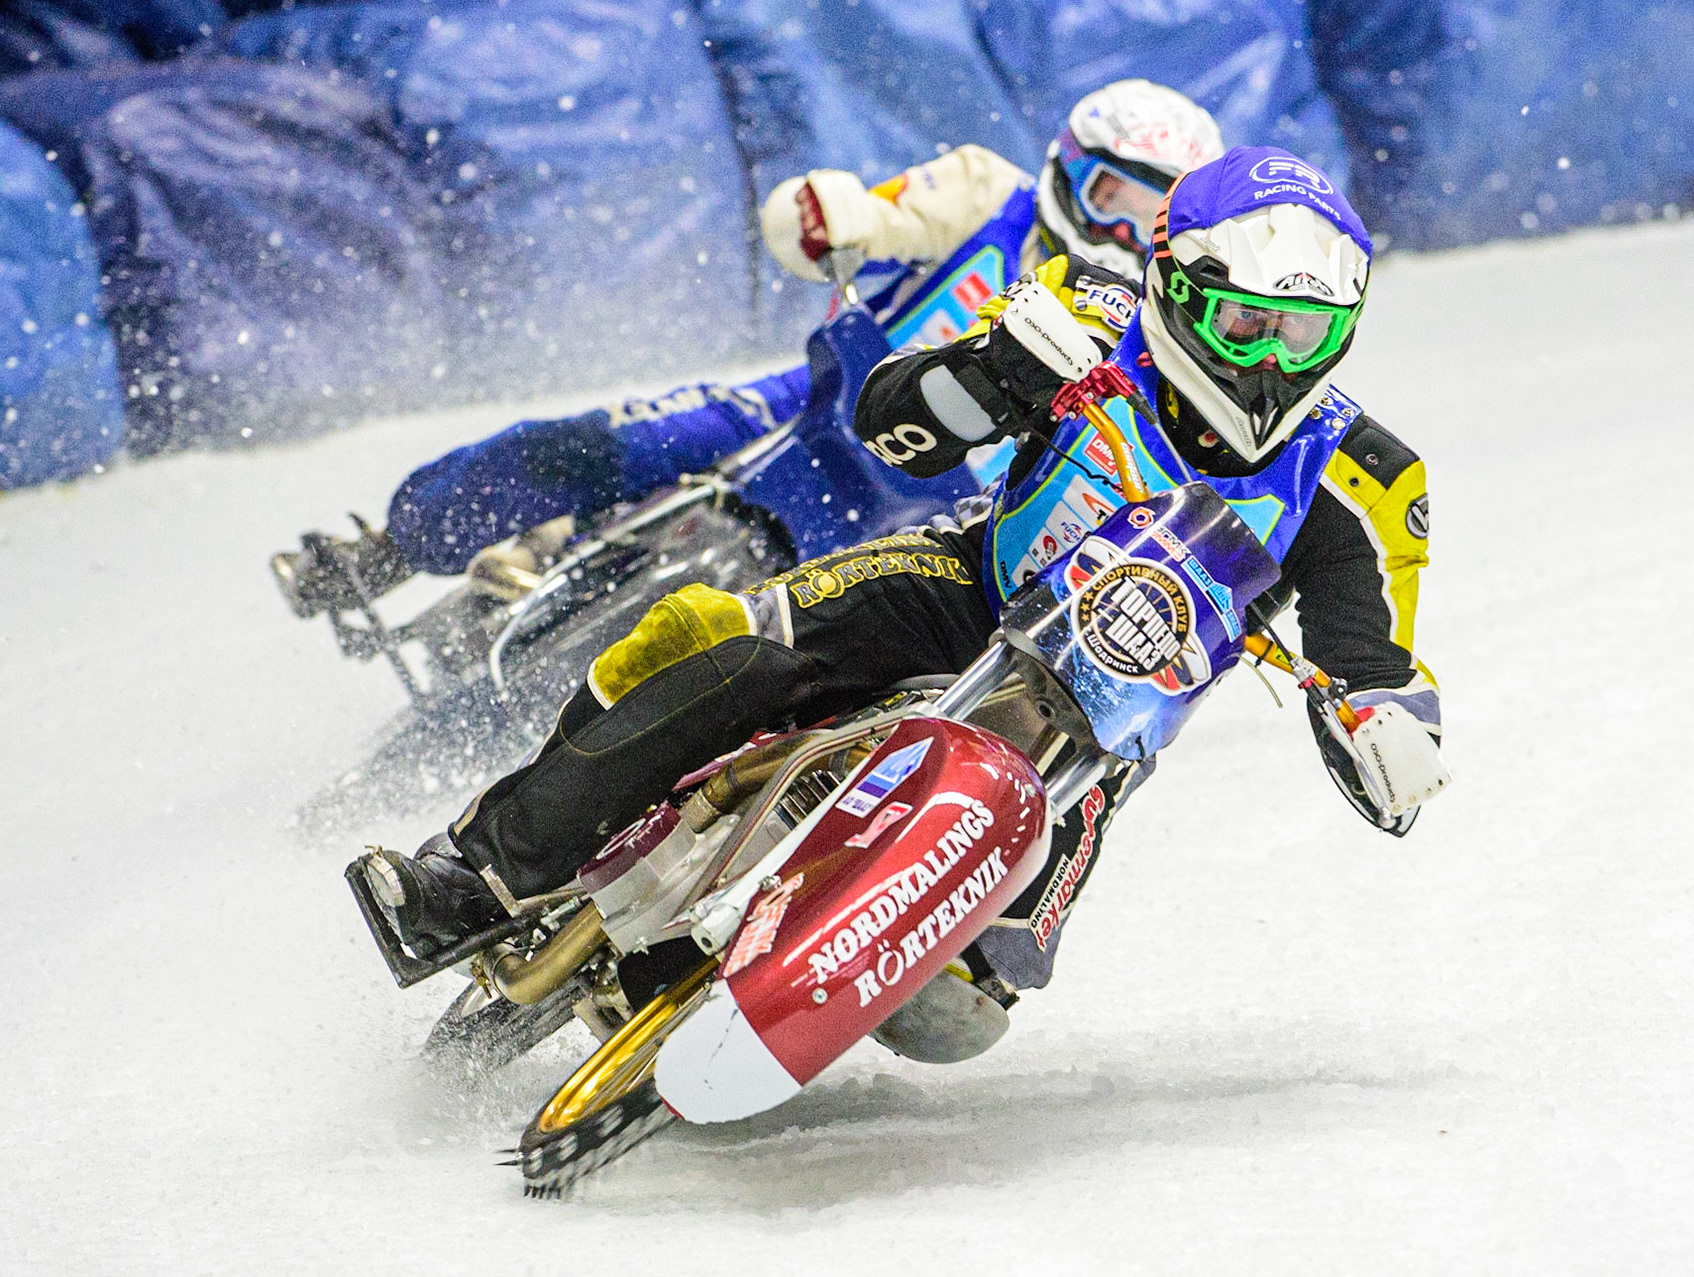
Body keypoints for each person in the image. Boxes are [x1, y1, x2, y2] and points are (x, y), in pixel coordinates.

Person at [356, 144, 1448, 1046]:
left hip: (1099, 726)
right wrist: (997, 374)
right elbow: (891, 431)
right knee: (718, 641)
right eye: (1242, 324)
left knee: (972, 1003)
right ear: (1177, 290)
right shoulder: (1084, 313)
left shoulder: (1365, 477)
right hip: (962, 585)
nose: (1266, 364)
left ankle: (807, 953)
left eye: (1301, 333)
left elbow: (1376, 669)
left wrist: (1391, 729)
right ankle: (479, 874)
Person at [272, 79, 1225, 613]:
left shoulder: (1150, 329)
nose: (1122, 234)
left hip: (939, 516)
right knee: (610, 443)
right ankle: (391, 547)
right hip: (811, 404)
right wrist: (833, 214)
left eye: (1153, 218)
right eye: (1113, 198)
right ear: (1069, 169)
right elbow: (859, 216)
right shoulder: (988, 191)